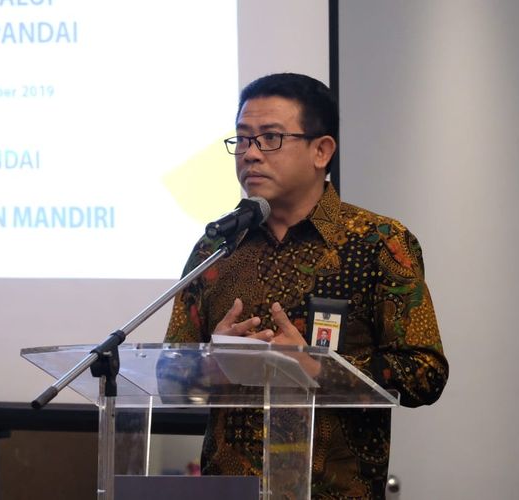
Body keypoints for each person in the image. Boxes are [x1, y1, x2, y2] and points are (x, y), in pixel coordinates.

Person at [164, 72, 448, 499]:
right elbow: (169, 377)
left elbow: (425, 373)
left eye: (270, 138)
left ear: (321, 150)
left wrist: (318, 368)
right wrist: (214, 362)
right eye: (242, 139)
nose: (250, 154)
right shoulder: (217, 247)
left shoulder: (379, 243)